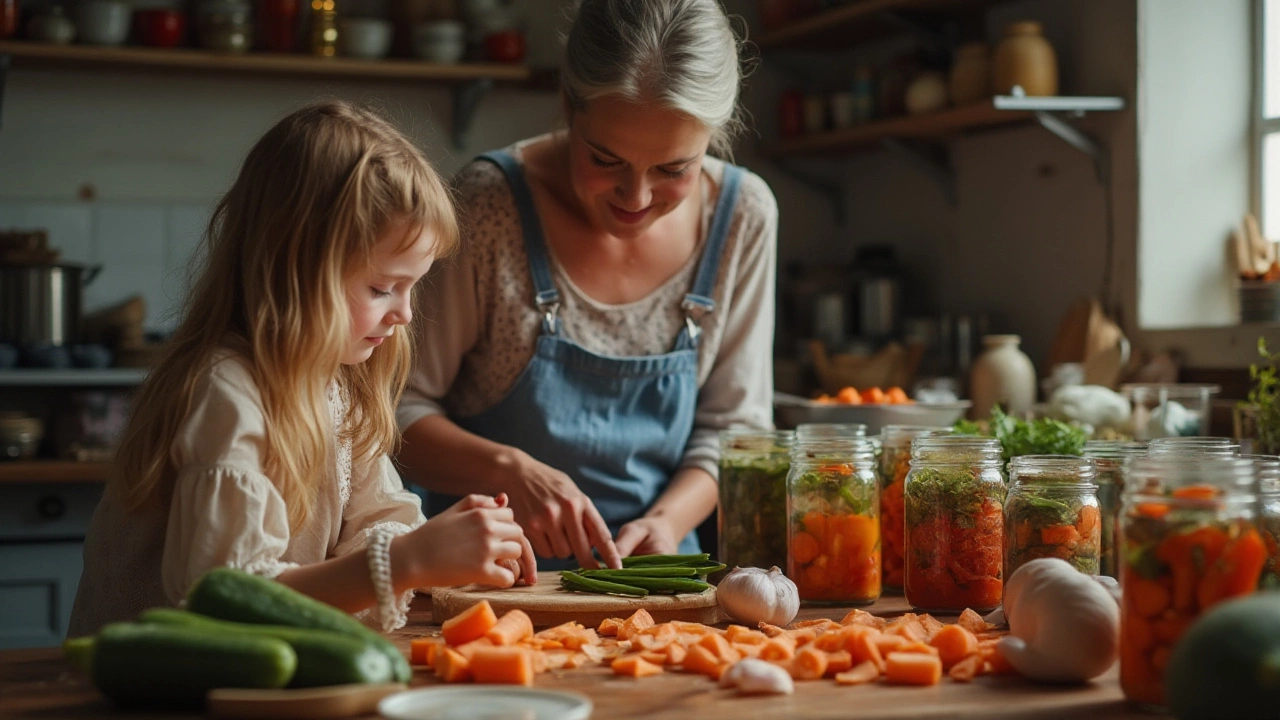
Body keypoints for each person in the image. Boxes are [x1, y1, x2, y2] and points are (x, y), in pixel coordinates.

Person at [69, 100, 535, 636]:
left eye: (413, 286)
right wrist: (407, 562)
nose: (405, 313)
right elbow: (220, 599)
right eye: (383, 287)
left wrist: (448, 549)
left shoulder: (336, 384)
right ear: (294, 271)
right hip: (143, 692)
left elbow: (378, 522)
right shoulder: (225, 391)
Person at [396, 0, 778, 571]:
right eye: (606, 159)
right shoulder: (488, 205)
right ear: (568, 105)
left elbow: (736, 428)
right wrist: (509, 471)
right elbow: (395, 408)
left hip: (659, 582)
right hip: (487, 581)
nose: (637, 197)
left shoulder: (743, 215)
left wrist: (669, 522)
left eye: (674, 169)